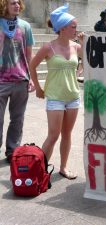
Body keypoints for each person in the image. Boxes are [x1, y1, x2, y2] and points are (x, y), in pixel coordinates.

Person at [29, 3, 82, 179]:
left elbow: (90, 64)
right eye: (73, 26)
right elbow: (32, 66)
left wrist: (83, 46)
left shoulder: (76, 46)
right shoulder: (48, 47)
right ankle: (39, 171)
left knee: (67, 134)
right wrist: (38, 87)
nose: (76, 29)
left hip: (73, 96)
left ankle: (63, 167)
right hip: (55, 97)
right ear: (62, 28)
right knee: (53, 135)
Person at [0, 0, 35, 163]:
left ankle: (12, 150)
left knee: (18, 119)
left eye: (18, 3)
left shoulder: (25, 26)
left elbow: (29, 54)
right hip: (1, 80)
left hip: (20, 79)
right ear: (3, 5)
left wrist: (31, 78)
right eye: (13, 3)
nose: (17, 6)